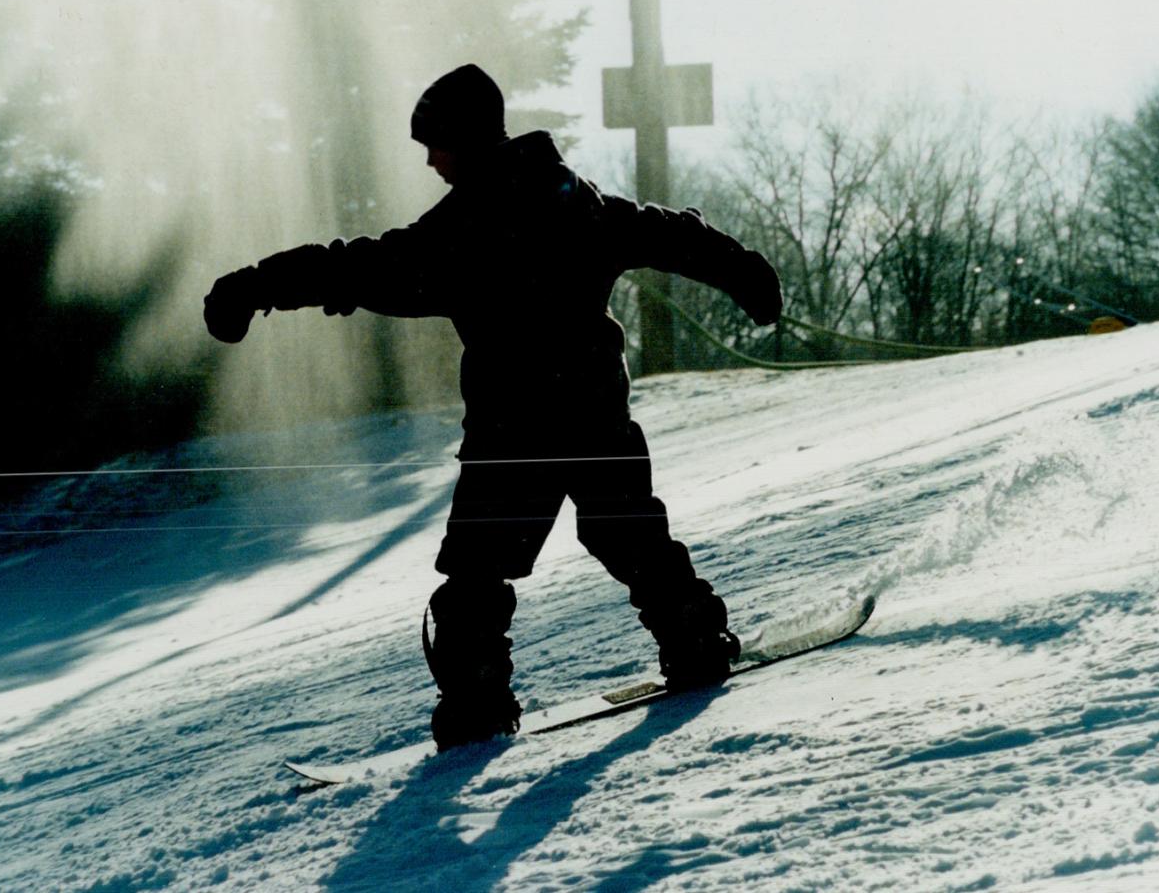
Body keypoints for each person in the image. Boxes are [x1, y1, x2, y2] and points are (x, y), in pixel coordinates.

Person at [204, 64, 782, 750]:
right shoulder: (577, 202)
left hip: (514, 430)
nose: (429, 160)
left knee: (480, 571)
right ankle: (695, 641)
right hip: (593, 408)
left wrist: (250, 288)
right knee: (627, 533)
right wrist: (747, 274)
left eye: (435, 143)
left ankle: (477, 700)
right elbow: (667, 234)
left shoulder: (459, 233)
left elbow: (351, 266)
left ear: (466, 138)